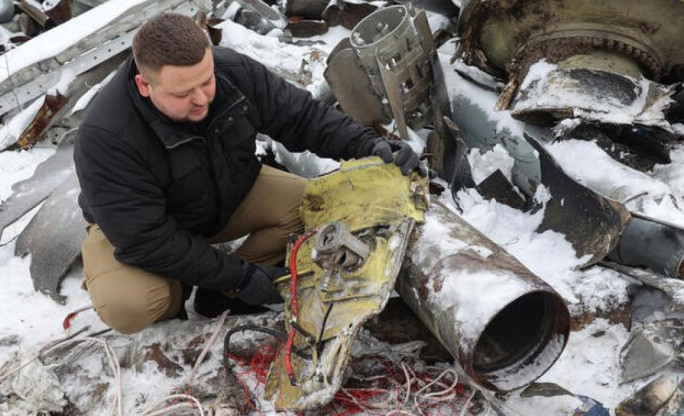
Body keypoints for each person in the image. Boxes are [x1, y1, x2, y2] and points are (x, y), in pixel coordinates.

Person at [73, 13, 425, 334]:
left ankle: (217, 294)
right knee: (133, 305)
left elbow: (301, 116)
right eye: (183, 93)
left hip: (226, 192)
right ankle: (177, 290)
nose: (202, 99)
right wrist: (241, 278)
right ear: (144, 86)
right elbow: (146, 240)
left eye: (206, 81)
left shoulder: (232, 72)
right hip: (142, 228)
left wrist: (367, 143)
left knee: (318, 206)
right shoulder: (105, 136)